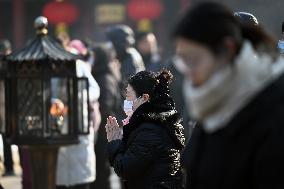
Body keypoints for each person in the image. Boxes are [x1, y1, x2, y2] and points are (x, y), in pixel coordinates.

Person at [173, 2, 284, 189]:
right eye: (184, 61)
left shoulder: (272, 108)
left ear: (229, 49)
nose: (189, 72)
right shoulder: (211, 99)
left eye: (196, 59)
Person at [105, 70, 185, 189]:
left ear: (144, 98)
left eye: (128, 95)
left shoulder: (150, 131)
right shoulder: (155, 122)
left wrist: (114, 142)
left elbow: (126, 168)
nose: (126, 101)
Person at [56, 39, 101, 189]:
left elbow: (95, 89)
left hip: (80, 126)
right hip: (59, 127)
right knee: (61, 179)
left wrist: (80, 97)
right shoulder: (52, 68)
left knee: (81, 180)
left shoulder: (80, 66)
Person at [91, 44, 123, 189]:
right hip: (105, 131)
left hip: (104, 133)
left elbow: (106, 106)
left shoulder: (104, 78)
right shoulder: (104, 75)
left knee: (102, 172)